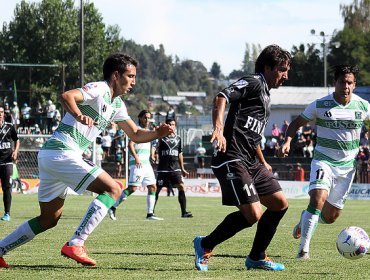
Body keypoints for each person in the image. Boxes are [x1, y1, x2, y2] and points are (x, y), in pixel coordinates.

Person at [0, 53, 173, 269]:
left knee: (48, 219)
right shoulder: (99, 89)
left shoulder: (117, 104)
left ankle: (0, 249)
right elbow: (67, 96)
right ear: (116, 75)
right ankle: (76, 243)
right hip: (62, 152)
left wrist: (158, 133)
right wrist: (79, 115)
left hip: (52, 156)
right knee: (113, 189)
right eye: (131, 76)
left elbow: (136, 134)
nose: (133, 82)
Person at [193, 44, 290, 272]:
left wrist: (262, 160)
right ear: (268, 67)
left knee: (279, 205)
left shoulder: (265, 95)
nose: (286, 75)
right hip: (231, 158)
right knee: (253, 214)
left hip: (251, 161)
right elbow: (222, 96)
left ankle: (256, 257)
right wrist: (217, 128)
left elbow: (251, 134)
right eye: (282, 69)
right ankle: (205, 244)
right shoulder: (255, 82)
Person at [278, 65, 367, 260]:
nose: (346, 86)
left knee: (331, 216)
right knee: (317, 199)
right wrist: (287, 141)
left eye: (350, 82)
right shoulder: (319, 105)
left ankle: (304, 220)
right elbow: (295, 124)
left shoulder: (363, 106)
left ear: (355, 85)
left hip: (347, 168)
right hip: (323, 161)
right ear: (334, 83)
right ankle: (303, 250)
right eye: (342, 82)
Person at [108, 110, 163, 221]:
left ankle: (150, 214)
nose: (147, 120)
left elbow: (152, 145)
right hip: (137, 164)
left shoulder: (149, 131)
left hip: (146, 164)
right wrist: (137, 157)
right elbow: (130, 144)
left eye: (149, 118)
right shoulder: (136, 130)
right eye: (145, 118)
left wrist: (152, 155)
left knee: (153, 187)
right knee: (133, 188)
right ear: (140, 118)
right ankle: (113, 207)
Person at [155, 118, 193, 218]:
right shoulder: (161, 137)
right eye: (170, 124)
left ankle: (184, 212)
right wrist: (152, 154)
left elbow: (180, 154)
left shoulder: (178, 138)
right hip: (163, 169)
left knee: (181, 186)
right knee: (156, 189)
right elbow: (154, 147)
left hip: (175, 169)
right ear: (166, 126)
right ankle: (151, 212)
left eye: (173, 124)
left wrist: (183, 168)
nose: (171, 126)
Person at [0, 106, 20, 222]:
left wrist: (16, 152)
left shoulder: (9, 126)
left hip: (7, 162)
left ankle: (7, 213)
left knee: (6, 188)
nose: (0, 114)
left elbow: (17, 140)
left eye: (2, 112)